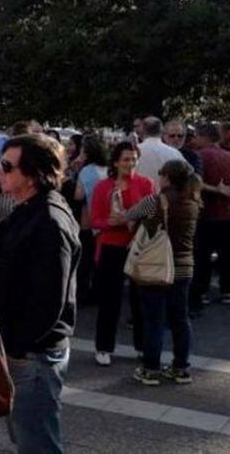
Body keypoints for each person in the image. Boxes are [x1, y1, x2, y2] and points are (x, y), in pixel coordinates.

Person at [0, 134, 80, 454]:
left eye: (6, 166)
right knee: (28, 437)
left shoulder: (49, 221)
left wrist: (15, 346)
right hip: (24, 349)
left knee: (38, 442)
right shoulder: (28, 211)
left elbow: (48, 302)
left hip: (35, 353)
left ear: (32, 174)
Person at [124, 160, 201, 385]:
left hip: (156, 266)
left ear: (167, 177)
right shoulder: (194, 202)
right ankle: (180, 367)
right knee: (180, 318)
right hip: (184, 266)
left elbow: (130, 214)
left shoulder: (156, 201)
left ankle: (151, 368)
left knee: (154, 319)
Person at [90, 141, 153, 366]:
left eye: (134, 158)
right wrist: (110, 222)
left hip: (137, 246)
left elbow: (152, 216)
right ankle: (104, 346)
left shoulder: (146, 184)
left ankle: (142, 345)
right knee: (110, 300)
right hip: (111, 247)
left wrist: (131, 219)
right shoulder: (103, 187)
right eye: (126, 159)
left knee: (140, 300)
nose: (130, 163)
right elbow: (94, 219)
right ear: (115, 162)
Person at [190, 123, 230, 311]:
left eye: (196, 136)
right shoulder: (228, 156)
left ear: (205, 137)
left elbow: (197, 183)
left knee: (203, 255)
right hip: (227, 214)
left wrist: (216, 190)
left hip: (207, 214)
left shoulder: (201, 156)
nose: (194, 139)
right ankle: (226, 290)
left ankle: (202, 291)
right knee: (226, 254)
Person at [73, 134, 109, 305]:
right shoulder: (108, 169)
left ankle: (82, 292)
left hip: (89, 219)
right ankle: (99, 290)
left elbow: (78, 195)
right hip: (107, 220)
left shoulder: (87, 171)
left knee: (85, 259)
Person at [136, 116, 185, 188]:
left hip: (139, 196)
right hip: (167, 196)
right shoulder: (175, 153)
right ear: (162, 131)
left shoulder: (133, 152)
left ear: (142, 130)